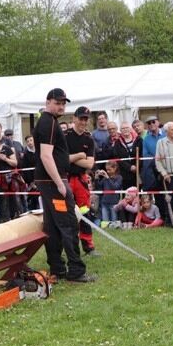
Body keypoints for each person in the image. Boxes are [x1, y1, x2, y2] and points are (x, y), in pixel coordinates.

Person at [34, 88, 94, 283]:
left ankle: (57, 268)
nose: (61, 106)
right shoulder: (48, 122)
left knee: (52, 227)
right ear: (48, 102)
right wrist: (60, 183)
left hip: (48, 181)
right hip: (53, 181)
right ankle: (76, 270)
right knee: (68, 224)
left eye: (63, 103)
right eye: (57, 102)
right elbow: (45, 155)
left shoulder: (49, 121)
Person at [66, 106, 97, 252]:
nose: (83, 122)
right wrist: (79, 155)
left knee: (85, 212)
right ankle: (69, 245)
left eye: (86, 119)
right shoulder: (65, 136)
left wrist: (72, 158)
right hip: (64, 178)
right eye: (81, 118)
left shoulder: (88, 139)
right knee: (66, 213)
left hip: (81, 179)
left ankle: (88, 246)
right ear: (74, 118)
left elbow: (90, 163)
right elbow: (61, 160)